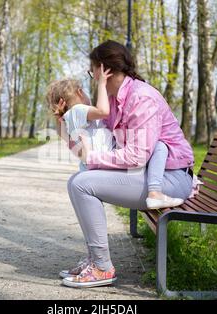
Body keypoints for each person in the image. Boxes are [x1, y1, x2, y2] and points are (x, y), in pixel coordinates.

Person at [53, 40, 195, 288]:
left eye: (91, 71)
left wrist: (93, 160)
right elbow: (96, 145)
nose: (91, 77)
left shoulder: (141, 98)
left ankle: (102, 267)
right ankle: (95, 260)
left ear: (102, 69)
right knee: (77, 181)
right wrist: (65, 127)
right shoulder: (115, 100)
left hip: (168, 180)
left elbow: (137, 155)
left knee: (81, 184)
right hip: (145, 174)